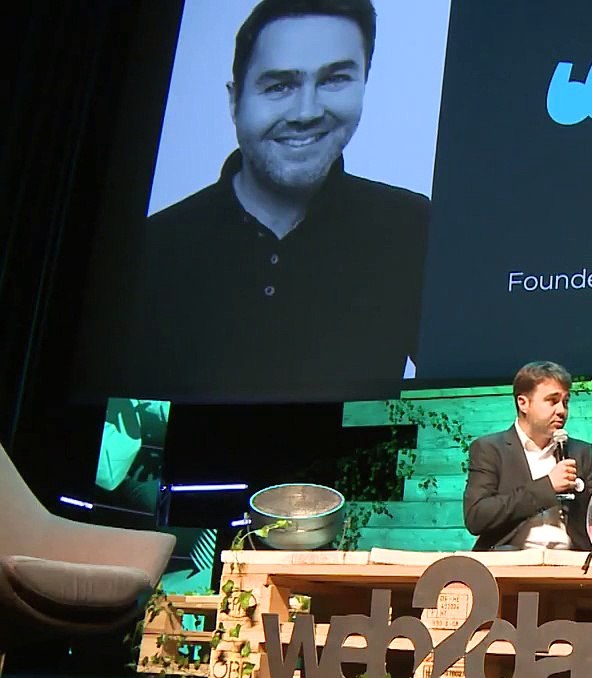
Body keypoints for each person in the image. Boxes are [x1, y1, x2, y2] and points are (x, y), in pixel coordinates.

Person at [133, 0, 430, 400]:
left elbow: (456, 411)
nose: (306, 112)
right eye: (279, 86)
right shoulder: (153, 247)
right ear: (234, 101)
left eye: (334, 79)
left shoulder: (414, 228)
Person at [463, 361, 592, 551]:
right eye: (552, 401)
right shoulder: (490, 449)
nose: (561, 410)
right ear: (523, 403)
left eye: (565, 402)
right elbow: (476, 517)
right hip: (510, 560)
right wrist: (547, 487)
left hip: (572, 564)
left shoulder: (580, 451)